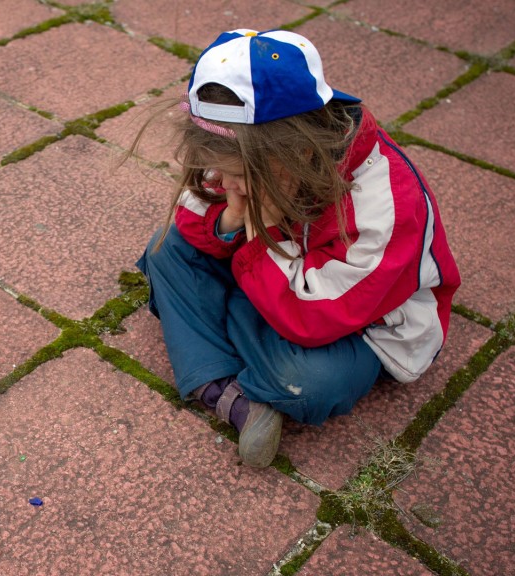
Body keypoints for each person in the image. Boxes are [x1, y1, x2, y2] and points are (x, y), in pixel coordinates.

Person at [133, 29, 460, 468]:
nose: (225, 182)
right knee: (165, 251)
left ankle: (209, 352)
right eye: (221, 171)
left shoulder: (386, 205)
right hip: (278, 283)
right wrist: (232, 218)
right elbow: (192, 215)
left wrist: (265, 226)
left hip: (358, 324)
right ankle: (230, 393)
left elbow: (313, 319)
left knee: (308, 383)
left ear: (301, 152)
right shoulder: (242, 146)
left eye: (238, 175)